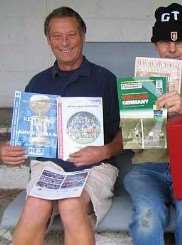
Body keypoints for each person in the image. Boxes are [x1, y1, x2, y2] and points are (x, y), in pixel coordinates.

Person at [0, 6, 123, 245]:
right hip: (49, 166)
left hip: (93, 167)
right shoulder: (38, 82)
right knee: (36, 204)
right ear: (48, 40)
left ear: (83, 36)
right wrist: (6, 150)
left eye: (71, 35)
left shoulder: (105, 80)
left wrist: (104, 151)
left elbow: (126, 132)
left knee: (70, 204)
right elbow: (21, 137)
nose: (64, 42)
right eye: (57, 36)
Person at [122, 3, 182, 245]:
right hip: (147, 167)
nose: (172, 49)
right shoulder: (140, 78)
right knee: (147, 217)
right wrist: (139, 121)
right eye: (164, 42)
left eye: (180, 42)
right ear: (155, 45)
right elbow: (133, 146)